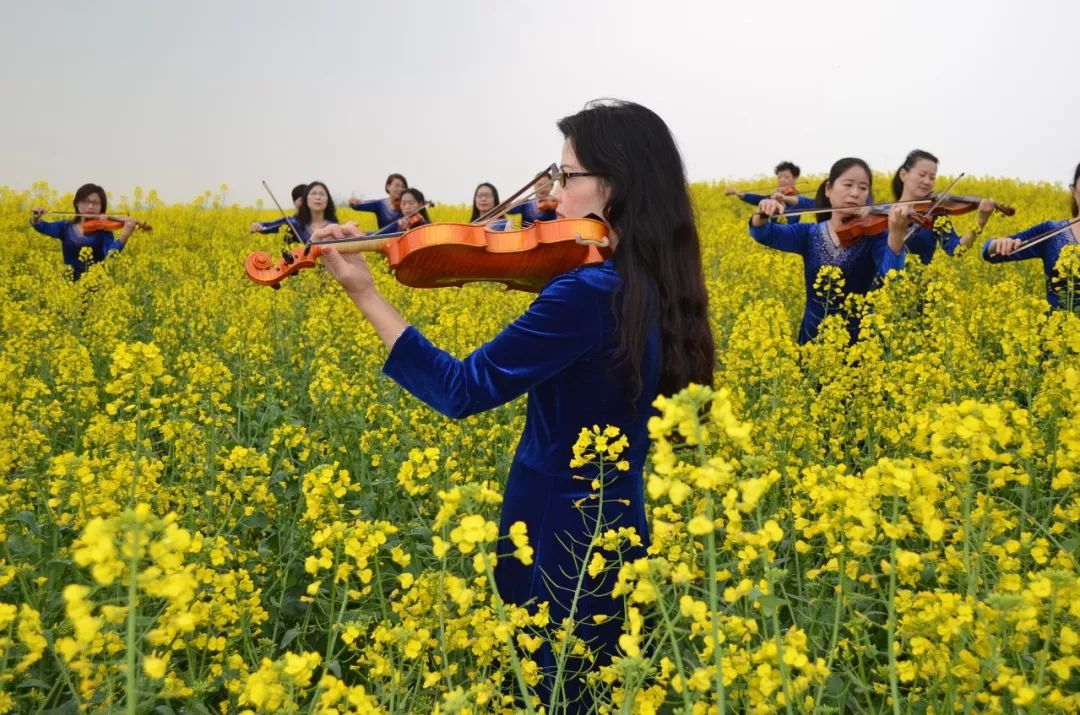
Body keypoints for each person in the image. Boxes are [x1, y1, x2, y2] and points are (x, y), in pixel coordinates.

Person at [314, 100, 715, 711]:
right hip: (618, 519)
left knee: (547, 685)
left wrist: (365, 293)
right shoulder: (652, 279)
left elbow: (461, 388)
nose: (553, 192)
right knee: (595, 684)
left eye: (567, 175)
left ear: (615, 184)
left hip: (554, 531)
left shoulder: (587, 292)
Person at [749, 158, 908, 343]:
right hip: (813, 342)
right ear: (828, 189)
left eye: (863, 188)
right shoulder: (809, 234)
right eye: (848, 185)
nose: (855, 193)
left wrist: (897, 234)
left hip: (860, 348)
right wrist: (762, 213)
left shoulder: (875, 237)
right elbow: (764, 233)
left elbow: (892, 274)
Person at [981, 162, 1080, 309]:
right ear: (1074, 190)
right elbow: (990, 252)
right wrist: (997, 245)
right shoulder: (1052, 231)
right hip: (1056, 328)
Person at [890, 150, 994, 264]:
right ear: (903, 174)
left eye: (932, 177)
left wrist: (980, 222)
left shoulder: (935, 214)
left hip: (918, 280)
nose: (927, 181)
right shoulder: (882, 212)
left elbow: (956, 249)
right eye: (922, 175)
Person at [30, 183, 137, 280]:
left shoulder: (104, 232)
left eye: (95, 203)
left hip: (96, 285)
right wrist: (36, 218)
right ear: (77, 203)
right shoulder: (66, 227)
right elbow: (42, 226)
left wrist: (125, 234)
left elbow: (110, 255)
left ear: (101, 208)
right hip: (68, 284)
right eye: (86, 201)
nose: (90, 206)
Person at [727, 161, 815, 222]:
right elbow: (758, 199)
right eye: (779, 177)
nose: (782, 180)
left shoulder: (798, 200)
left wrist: (783, 202)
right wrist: (739, 194)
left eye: (786, 177)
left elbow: (791, 220)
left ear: (795, 178)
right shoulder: (774, 197)